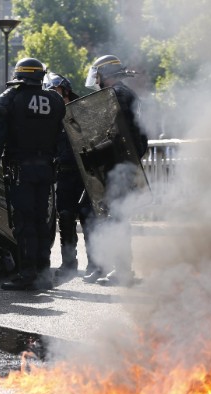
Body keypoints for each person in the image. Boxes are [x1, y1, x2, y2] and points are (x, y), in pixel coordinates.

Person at [0, 58, 66, 291]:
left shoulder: (9, 98)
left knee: (23, 222)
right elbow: (62, 137)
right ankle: (43, 273)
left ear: (19, 76)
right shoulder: (55, 100)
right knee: (42, 220)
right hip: (46, 170)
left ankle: (27, 273)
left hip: (20, 170)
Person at [82, 55, 149, 286]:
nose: (97, 80)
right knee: (114, 216)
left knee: (117, 218)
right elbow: (139, 139)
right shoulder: (128, 95)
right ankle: (115, 268)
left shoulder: (117, 96)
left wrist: (94, 155)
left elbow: (118, 138)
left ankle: (122, 271)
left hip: (119, 166)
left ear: (107, 75)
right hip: (123, 165)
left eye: (99, 76)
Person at [42, 72, 95, 279]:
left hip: (84, 173)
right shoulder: (51, 115)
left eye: (54, 90)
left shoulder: (81, 110)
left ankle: (95, 264)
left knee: (88, 218)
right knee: (64, 217)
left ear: (63, 89)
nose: (52, 95)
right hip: (63, 174)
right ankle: (69, 263)